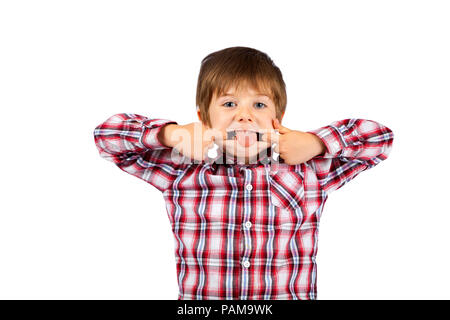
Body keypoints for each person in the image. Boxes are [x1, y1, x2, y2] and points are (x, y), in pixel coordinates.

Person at [93, 46, 394, 300]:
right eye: (229, 103)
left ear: (278, 117)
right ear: (203, 117)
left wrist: (316, 143)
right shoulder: (181, 168)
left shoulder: (309, 168)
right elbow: (108, 137)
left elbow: (379, 139)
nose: (244, 115)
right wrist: (172, 135)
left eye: (259, 104)